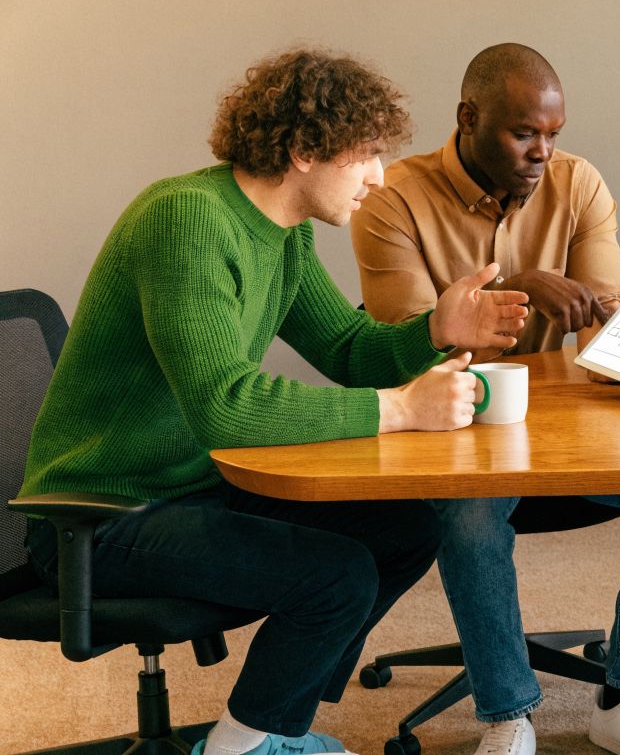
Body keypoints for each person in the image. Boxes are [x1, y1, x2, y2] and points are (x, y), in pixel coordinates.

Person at [20, 47, 529, 755]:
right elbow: (226, 407)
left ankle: (266, 728)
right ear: (301, 151)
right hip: (101, 517)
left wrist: (436, 329)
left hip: (193, 489)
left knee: (407, 525)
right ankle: (243, 746)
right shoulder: (187, 220)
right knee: (337, 575)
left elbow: (350, 348)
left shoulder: (281, 239)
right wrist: (400, 409)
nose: (381, 178)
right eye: (366, 155)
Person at [350, 43, 620, 755]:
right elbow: (417, 357)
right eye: (523, 133)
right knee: (472, 510)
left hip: (563, 434)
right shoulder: (392, 201)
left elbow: (604, 328)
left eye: (552, 135)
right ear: (469, 117)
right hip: (448, 432)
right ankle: (507, 714)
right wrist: (520, 286)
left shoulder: (579, 186)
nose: (543, 151)